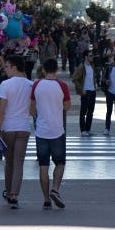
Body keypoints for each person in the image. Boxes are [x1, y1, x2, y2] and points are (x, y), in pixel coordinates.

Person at [30, 58, 70, 210]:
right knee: (60, 163)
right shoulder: (62, 86)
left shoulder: (37, 85)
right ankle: (55, 189)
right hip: (57, 130)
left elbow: (32, 109)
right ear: (57, 70)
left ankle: (46, 200)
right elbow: (67, 107)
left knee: (43, 165)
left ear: (44, 70)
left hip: (41, 131)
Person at [0, 55, 33, 208]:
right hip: (23, 127)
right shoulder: (31, 85)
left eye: (7, 66)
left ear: (14, 67)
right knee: (19, 163)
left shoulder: (5, 84)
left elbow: (1, 110)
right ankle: (15, 195)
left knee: (9, 163)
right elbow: (33, 111)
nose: (5, 69)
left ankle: (9, 192)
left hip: (8, 127)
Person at [71, 50, 99, 136]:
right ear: (86, 57)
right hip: (85, 92)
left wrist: (95, 86)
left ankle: (88, 129)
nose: (92, 57)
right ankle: (83, 130)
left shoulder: (91, 66)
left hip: (92, 91)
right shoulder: (82, 67)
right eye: (90, 56)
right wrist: (81, 89)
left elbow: (93, 78)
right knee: (83, 112)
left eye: (92, 55)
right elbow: (74, 78)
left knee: (90, 112)